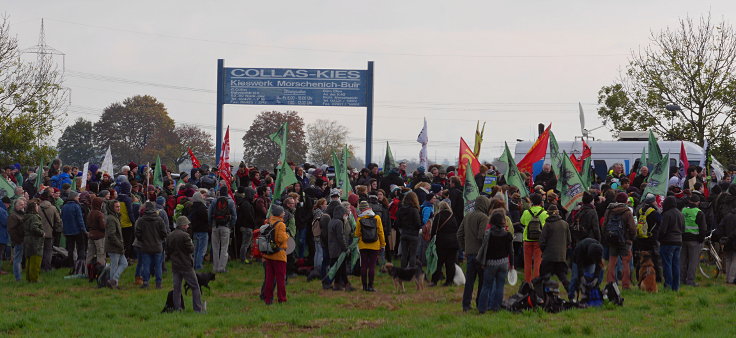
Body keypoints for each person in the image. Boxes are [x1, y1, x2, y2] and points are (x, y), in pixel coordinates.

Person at [457, 195, 490, 312]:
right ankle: (480, 303)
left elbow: (459, 234)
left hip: (470, 253)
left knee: (469, 281)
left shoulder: (467, 216)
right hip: (480, 254)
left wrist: (464, 249)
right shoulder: (484, 217)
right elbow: (483, 236)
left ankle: (466, 305)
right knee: (482, 281)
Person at [476, 212, 514, 313]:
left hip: (491, 263)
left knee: (486, 286)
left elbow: (485, 249)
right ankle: (496, 307)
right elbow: (511, 251)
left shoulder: (488, 233)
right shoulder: (507, 234)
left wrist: (483, 262)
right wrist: (512, 265)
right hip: (504, 263)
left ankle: (482, 308)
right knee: (500, 286)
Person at [166, 216, 204, 312]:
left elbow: (167, 251)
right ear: (182, 225)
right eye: (186, 224)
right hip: (186, 265)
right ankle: (198, 309)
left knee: (177, 288)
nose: (188, 226)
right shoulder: (185, 236)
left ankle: (177, 308)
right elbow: (191, 249)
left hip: (175, 265)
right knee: (195, 287)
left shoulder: (170, 235)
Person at [603, 192, 636, 289]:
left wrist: (607, 236)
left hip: (612, 238)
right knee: (626, 263)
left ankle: (611, 284)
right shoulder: (627, 212)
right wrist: (632, 238)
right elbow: (632, 228)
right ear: (626, 201)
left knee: (612, 262)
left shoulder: (609, 210)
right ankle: (625, 285)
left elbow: (604, 224)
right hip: (625, 240)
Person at [536, 205, 571, 292]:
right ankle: (571, 295)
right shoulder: (565, 224)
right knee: (562, 276)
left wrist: (545, 251)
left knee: (543, 276)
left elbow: (542, 241)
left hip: (548, 256)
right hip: (561, 256)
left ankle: (542, 295)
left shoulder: (547, 225)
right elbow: (569, 241)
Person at [135, 201, 168, 289]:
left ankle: (146, 282)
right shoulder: (159, 219)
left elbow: (137, 233)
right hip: (157, 246)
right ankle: (158, 283)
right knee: (158, 266)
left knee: (146, 265)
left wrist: (143, 239)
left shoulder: (141, 220)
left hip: (145, 246)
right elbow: (164, 233)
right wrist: (160, 239)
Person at [355, 201, 386, 292]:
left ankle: (364, 286)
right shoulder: (377, 217)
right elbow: (380, 232)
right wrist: (383, 244)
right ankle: (371, 286)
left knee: (364, 266)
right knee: (372, 266)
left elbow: (357, 233)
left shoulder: (360, 219)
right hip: (374, 245)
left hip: (363, 245)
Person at [262, 205, 289, 304]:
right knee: (280, 279)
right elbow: (281, 239)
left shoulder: (269, 221)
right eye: (283, 212)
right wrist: (287, 235)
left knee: (269, 279)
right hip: (279, 255)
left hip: (269, 254)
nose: (284, 213)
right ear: (280, 214)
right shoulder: (281, 224)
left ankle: (268, 299)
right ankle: (282, 298)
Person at [520, 193, 549, 283]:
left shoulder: (526, 212)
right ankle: (536, 281)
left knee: (527, 262)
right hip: (539, 240)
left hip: (527, 239)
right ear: (541, 202)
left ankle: (527, 281)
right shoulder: (545, 213)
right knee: (538, 262)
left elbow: (522, 222)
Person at [658, 196, 684, 291]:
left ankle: (668, 285)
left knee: (667, 264)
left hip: (667, 242)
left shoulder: (667, 214)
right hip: (678, 241)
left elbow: (663, 230)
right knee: (676, 264)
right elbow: (683, 228)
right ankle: (675, 286)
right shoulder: (680, 214)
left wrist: (659, 238)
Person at [208, 187, 236, 274]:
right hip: (226, 226)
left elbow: (209, 213)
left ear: (219, 192)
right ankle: (221, 268)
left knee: (215, 247)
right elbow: (234, 216)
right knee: (224, 248)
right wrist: (231, 225)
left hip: (215, 226)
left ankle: (215, 268)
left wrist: (211, 224)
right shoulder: (231, 202)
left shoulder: (214, 201)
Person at [430, 201, 459, 286]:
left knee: (438, 262)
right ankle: (449, 281)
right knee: (450, 263)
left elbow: (434, 230)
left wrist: (432, 241)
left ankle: (434, 280)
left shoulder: (438, 216)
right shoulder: (453, 216)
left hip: (441, 242)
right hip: (453, 242)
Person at [680, 195, 706, 286]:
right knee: (693, 262)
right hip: (694, 240)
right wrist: (701, 240)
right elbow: (703, 229)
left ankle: (681, 280)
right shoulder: (699, 212)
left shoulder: (683, 210)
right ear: (698, 202)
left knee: (682, 261)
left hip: (683, 239)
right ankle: (690, 281)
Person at [328, 205, 354, 291]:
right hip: (338, 249)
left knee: (338, 268)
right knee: (342, 268)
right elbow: (340, 237)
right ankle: (346, 284)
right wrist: (346, 248)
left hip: (332, 248)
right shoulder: (339, 222)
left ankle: (337, 284)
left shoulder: (331, 221)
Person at [396, 192, 422, 269]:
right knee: (412, 254)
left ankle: (403, 270)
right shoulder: (414, 210)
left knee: (404, 254)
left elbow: (398, 223)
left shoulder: (401, 209)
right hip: (413, 234)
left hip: (404, 233)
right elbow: (418, 223)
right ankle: (411, 271)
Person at [104, 200, 127, 289]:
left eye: (119, 206)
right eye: (117, 207)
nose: (119, 208)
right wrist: (119, 245)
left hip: (117, 246)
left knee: (124, 263)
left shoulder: (115, 217)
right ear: (112, 208)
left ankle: (113, 280)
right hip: (113, 246)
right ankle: (113, 283)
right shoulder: (111, 218)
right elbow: (111, 234)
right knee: (114, 265)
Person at [61, 191, 87, 267]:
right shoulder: (76, 206)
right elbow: (80, 220)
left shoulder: (64, 206)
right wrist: (84, 230)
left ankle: (70, 264)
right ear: (74, 197)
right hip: (77, 231)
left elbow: (62, 218)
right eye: (77, 196)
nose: (78, 197)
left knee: (70, 249)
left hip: (67, 231)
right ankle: (80, 263)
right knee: (81, 247)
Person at [38, 191, 62, 271]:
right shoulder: (53, 208)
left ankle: (39, 266)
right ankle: (47, 267)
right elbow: (58, 221)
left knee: (40, 250)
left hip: (39, 232)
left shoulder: (37, 208)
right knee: (48, 251)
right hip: (49, 232)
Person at [23, 200, 44, 282]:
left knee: (29, 259)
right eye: (36, 206)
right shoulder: (34, 217)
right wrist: (42, 233)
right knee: (36, 260)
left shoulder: (26, 216)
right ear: (33, 208)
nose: (37, 207)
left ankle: (29, 278)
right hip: (35, 241)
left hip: (27, 239)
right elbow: (34, 228)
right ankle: (34, 279)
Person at [188, 192, 210, 270]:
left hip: (195, 230)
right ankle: (198, 265)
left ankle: (194, 264)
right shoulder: (202, 207)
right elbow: (206, 218)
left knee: (196, 249)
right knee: (201, 250)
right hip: (203, 230)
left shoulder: (192, 207)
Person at [236, 187, 257, 264]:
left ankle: (243, 258)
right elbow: (249, 216)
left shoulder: (244, 203)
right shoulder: (246, 204)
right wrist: (253, 224)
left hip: (244, 226)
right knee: (245, 244)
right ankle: (243, 259)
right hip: (247, 226)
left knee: (245, 243)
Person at [8, 198, 26, 281]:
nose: (23, 206)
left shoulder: (22, 214)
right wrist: (17, 240)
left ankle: (19, 276)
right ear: (16, 206)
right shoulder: (13, 215)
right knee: (17, 260)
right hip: (18, 240)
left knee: (19, 259)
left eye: (23, 204)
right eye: (21, 204)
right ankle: (18, 278)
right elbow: (11, 230)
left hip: (23, 239)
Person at [86, 197, 107, 267]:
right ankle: (100, 272)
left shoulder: (90, 212)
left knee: (90, 254)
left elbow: (88, 224)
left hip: (91, 235)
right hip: (99, 236)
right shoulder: (99, 214)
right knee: (101, 254)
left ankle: (87, 271)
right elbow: (102, 226)